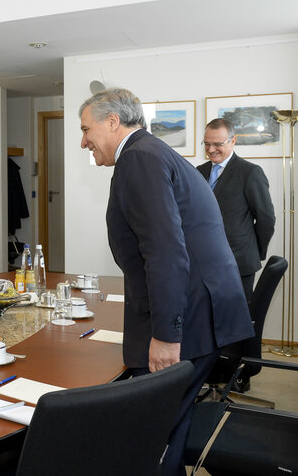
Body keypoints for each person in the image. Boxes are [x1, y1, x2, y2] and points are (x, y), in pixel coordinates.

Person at [79, 88, 254, 476]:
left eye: (86, 129)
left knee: (149, 433)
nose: (83, 141)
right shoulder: (150, 153)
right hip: (199, 309)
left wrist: (166, 335)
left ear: (112, 122)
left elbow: (165, 251)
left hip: (187, 320)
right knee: (166, 429)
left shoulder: (139, 159)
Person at [197, 118, 275, 307]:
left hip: (239, 265)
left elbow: (266, 219)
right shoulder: (198, 172)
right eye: (207, 143)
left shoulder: (250, 173)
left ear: (233, 141)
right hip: (204, 263)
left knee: (236, 325)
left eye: (218, 144)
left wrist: (254, 251)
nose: (211, 149)